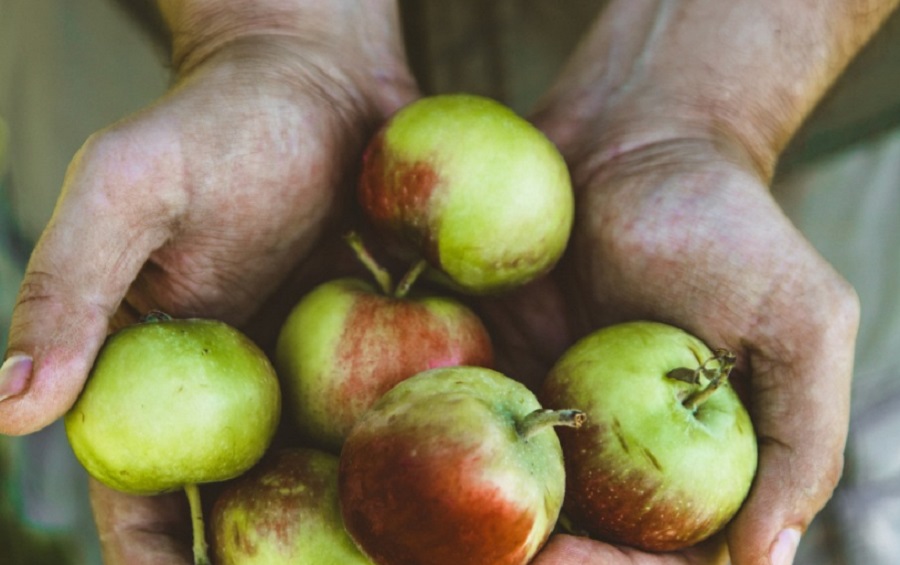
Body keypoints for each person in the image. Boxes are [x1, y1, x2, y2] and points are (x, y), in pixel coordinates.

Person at [1, 1, 898, 564]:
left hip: (786, 64)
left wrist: (707, 111)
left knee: (808, 400)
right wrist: (267, 33)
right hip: (160, 49)